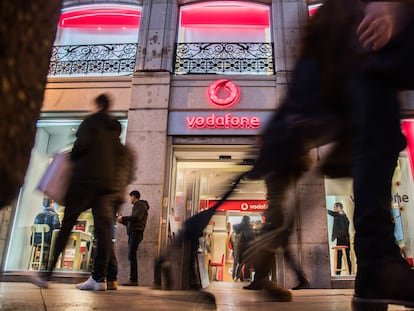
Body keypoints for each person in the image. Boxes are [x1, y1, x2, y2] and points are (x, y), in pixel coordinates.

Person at [32, 93, 125, 291]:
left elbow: (79, 147)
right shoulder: (115, 131)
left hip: (84, 182)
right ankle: (99, 279)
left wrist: (71, 158)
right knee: (104, 232)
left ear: (97, 105)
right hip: (105, 186)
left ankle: (46, 274)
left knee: (66, 227)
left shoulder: (90, 123)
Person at [116, 190, 149, 286]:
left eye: (131, 197)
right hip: (134, 233)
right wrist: (122, 221)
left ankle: (134, 280)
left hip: (136, 233)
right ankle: (133, 279)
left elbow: (136, 218)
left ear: (134, 196)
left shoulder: (140, 205)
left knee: (132, 256)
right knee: (131, 256)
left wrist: (123, 218)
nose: (130, 199)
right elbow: (133, 221)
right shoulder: (137, 206)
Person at [328, 202, 352, 275]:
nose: (334, 209)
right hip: (344, 238)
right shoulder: (343, 215)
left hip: (343, 239)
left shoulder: (340, 215)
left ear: (339, 208)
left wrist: (324, 210)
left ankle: (341, 273)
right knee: (344, 256)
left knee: (342, 257)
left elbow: (332, 213)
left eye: (335, 207)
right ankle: (346, 273)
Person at [232, 216, 255, 282]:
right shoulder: (249, 227)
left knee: (241, 262)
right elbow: (253, 237)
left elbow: (235, 227)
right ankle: (245, 277)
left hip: (241, 247)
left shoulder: (242, 226)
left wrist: (242, 224)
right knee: (247, 262)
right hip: (248, 247)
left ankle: (237, 277)